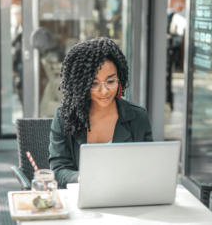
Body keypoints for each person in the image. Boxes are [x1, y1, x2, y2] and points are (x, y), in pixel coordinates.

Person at [48, 37, 154, 188]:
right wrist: (81, 178)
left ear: (120, 79)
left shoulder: (138, 117)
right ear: (81, 85)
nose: (104, 91)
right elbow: (58, 170)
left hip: (127, 196)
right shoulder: (64, 117)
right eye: (94, 83)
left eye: (111, 81)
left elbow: (148, 168)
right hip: (82, 199)